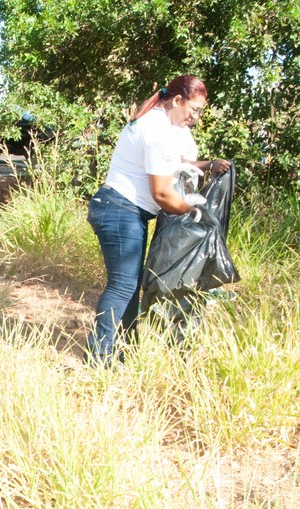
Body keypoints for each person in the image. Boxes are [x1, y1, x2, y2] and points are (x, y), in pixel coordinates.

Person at [86, 75, 222, 364]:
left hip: (121, 210)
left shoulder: (158, 123)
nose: (195, 118)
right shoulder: (157, 130)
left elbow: (175, 162)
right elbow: (161, 193)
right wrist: (192, 210)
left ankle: (123, 350)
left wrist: (208, 165)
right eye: (194, 110)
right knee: (122, 286)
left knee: (129, 285)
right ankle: (99, 356)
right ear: (177, 100)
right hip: (120, 211)